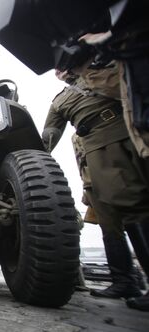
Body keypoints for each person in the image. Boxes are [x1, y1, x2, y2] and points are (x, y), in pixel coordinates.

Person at [42, 67, 149, 311]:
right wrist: (33, 160)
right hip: (101, 148)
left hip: (135, 130)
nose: (60, 71)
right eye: (57, 69)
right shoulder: (60, 100)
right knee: (123, 213)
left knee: (135, 208)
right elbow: (50, 133)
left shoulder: (106, 70)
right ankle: (124, 280)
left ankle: (127, 280)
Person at [70, 133, 142, 299]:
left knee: (134, 218)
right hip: (94, 184)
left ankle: (128, 281)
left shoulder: (103, 128)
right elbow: (84, 163)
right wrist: (87, 188)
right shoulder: (78, 136)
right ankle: (124, 281)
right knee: (110, 228)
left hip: (120, 174)